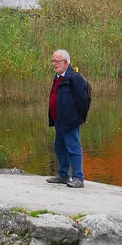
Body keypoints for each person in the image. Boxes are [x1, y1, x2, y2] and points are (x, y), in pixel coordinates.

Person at [46, 49, 89, 188]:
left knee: (73, 148)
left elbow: (83, 100)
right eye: (53, 61)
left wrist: (78, 119)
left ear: (65, 62)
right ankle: (63, 175)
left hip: (70, 121)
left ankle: (78, 178)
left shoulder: (74, 77)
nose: (53, 64)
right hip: (59, 120)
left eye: (56, 61)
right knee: (60, 148)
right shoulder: (58, 77)